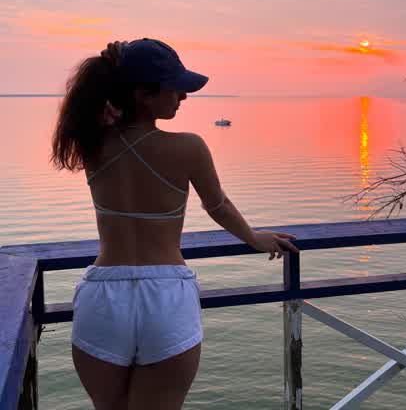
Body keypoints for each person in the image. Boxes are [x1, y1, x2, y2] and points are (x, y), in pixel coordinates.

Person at [50, 38, 299, 410]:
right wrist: (253, 237)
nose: (183, 96)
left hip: (103, 298)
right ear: (142, 94)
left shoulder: (92, 143)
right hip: (165, 296)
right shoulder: (188, 147)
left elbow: (88, 111)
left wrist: (114, 71)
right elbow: (217, 206)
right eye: (174, 87)